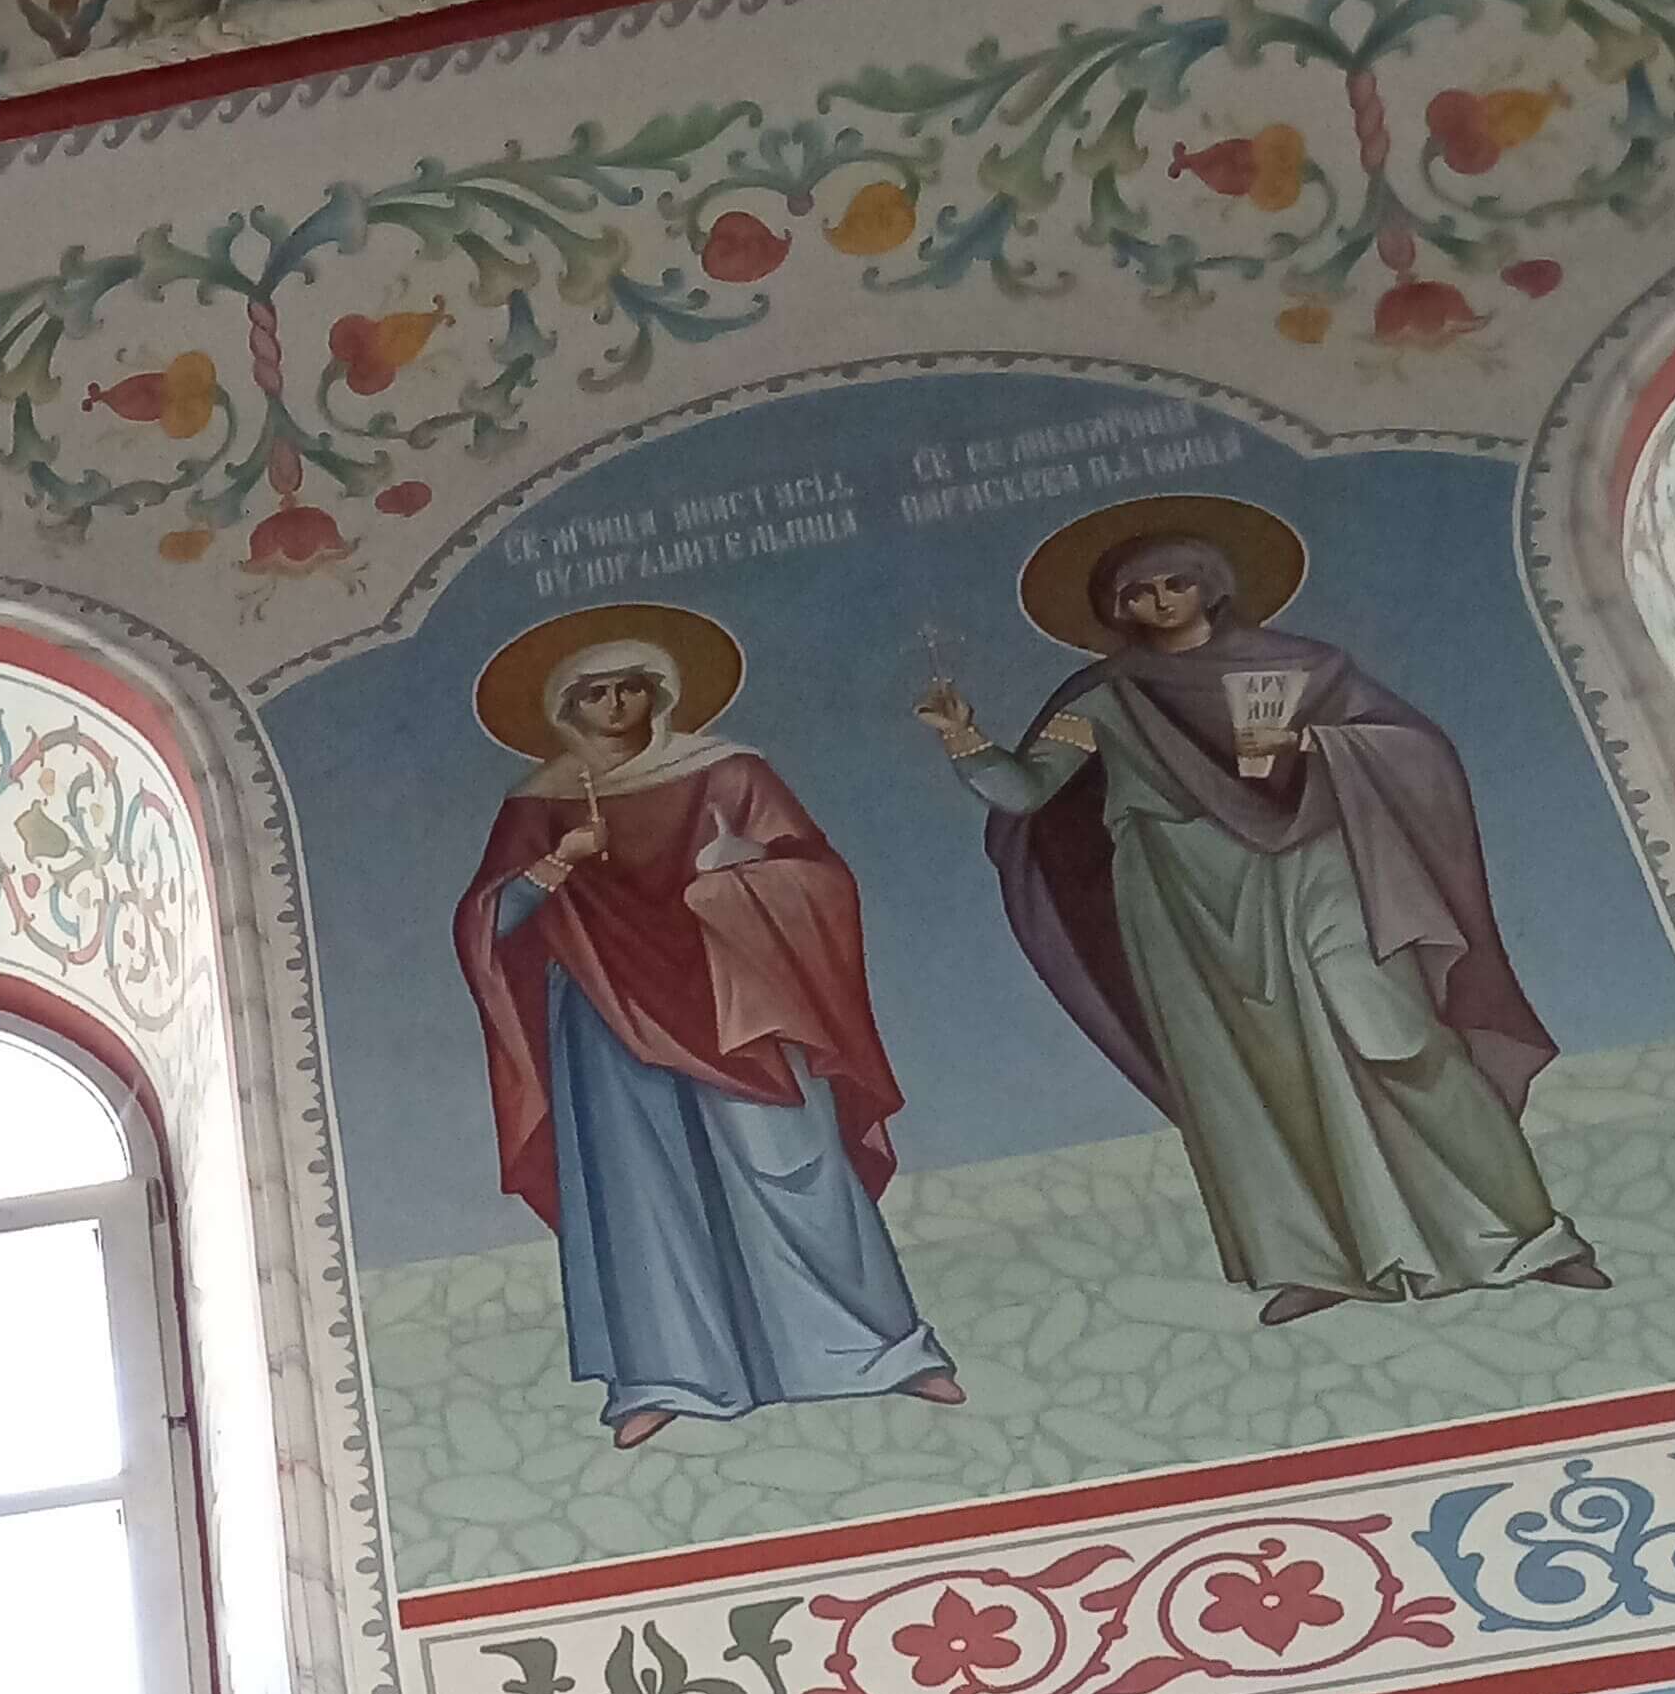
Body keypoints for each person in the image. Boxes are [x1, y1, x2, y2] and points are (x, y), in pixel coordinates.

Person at [919, 503, 1602, 1327]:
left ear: (1211, 587)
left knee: (1397, 1037)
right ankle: (1317, 1261)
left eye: (1176, 583)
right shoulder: (1105, 698)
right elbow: (1028, 790)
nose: (1160, 602)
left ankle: (1529, 1235)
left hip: (1317, 867)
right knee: (1247, 1079)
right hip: (1182, 896)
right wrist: (965, 740)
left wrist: (1315, 747)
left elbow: (1413, 749)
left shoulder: (1304, 669)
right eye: (1138, 593)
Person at [457, 608, 961, 1448]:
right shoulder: (538, 803)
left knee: (794, 1167)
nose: (614, 705)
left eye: (629, 688)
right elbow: (489, 921)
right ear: (566, 710)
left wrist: (740, 878)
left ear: (659, 695)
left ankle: (882, 1351)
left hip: (740, 997)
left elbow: (819, 875)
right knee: (641, 1194)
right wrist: (559, 862)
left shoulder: (728, 773)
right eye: (593, 694)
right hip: (605, 1011)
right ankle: (665, 1376)